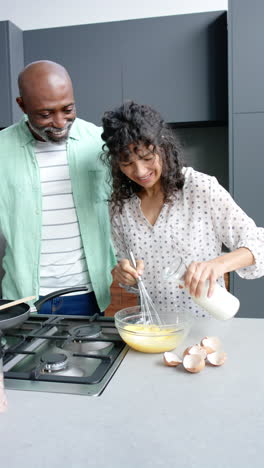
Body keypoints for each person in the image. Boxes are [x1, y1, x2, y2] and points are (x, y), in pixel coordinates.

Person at [101, 101, 264, 318]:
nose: (140, 171)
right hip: (156, 330)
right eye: (126, 163)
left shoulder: (199, 188)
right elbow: (130, 273)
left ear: (163, 146)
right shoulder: (121, 207)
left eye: (147, 158)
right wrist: (126, 274)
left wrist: (217, 265)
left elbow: (259, 244)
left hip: (207, 325)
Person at [0, 60, 115, 315]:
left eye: (67, 109)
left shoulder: (99, 142)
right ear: (22, 105)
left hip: (89, 295)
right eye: (45, 114)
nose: (60, 122)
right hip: (23, 299)